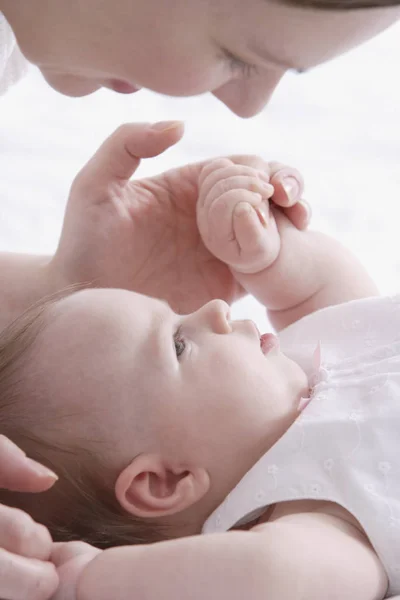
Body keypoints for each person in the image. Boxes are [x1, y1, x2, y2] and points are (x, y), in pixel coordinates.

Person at [1, 156, 400, 599]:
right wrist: (89, 579)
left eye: (179, 313)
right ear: (166, 480)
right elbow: (269, 573)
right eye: (179, 343)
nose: (216, 309)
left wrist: (272, 254)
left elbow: (333, 286)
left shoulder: (305, 363)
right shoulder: (320, 513)